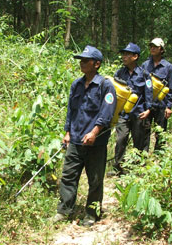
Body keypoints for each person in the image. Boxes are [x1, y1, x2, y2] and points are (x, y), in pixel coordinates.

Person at [52, 45, 116, 227]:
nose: (82, 63)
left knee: (95, 179)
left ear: (97, 64)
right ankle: (64, 211)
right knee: (68, 176)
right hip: (76, 139)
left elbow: (107, 112)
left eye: (86, 60)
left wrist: (95, 132)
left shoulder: (106, 85)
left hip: (95, 143)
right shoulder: (77, 84)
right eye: (81, 60)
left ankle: (92, 213)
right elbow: (71, 110)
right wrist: (67, 132)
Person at [111, 43, 153, 175]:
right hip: (123, 114)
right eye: (123, 54)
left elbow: (149, 92)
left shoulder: (144, 74)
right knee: (121, 139)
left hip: (139, 113)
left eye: (127, 54)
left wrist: (148, 110)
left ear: (135, 57)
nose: (124, 57)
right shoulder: (119, 73)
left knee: (139, 141)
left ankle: (138, 169)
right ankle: (118, 168)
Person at [141, 38, 172, 151]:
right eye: (151, 46)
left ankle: (159, 156)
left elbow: (171, 87)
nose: (152, 48)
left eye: (155, 47)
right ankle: (143, 156)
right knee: (144, 131)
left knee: (160, 131)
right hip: (147, 105)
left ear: (161, 49)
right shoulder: (145, 65)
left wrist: (169, 106)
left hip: (161, 105)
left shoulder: (168, 67)